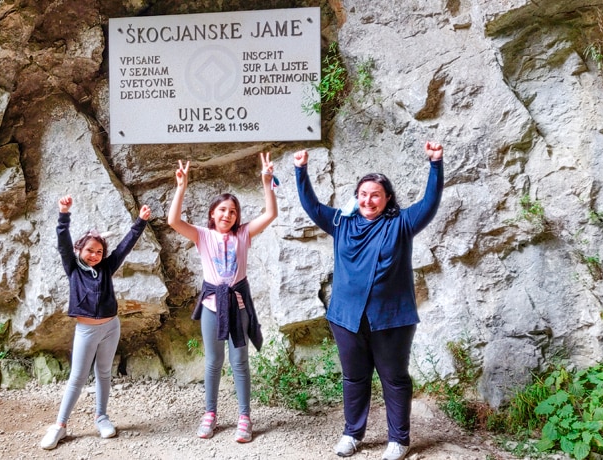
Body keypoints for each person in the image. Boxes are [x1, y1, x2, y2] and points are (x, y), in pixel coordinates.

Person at [294, 142, 444, 460]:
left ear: (387, 198)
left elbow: (429, 203)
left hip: (391, 318)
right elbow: (312, 206)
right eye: (363, 194)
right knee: (354, 378)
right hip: (347, 317)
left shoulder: (400, 224)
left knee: (394, 378)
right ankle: (352, 434)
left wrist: (436, 164)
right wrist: (300, 171)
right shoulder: (342, 223)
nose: (368, 200)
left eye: (375, 194)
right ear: (356, 197)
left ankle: (398, 440)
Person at [166, 152, 278, 443]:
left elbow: (270, 215)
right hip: (212, 305)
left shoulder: (243, 235)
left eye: (232, 211)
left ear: (237, 217)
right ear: (213, 214)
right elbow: (173, 220)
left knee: (239, 360)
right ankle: (210, 414)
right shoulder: (202, 235)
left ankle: (244, 417)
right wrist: (181, 187)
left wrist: (266, 182)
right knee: (213, 361)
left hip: (238, 304)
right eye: (222, 210)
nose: (227, 215)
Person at [39, 195, 151, 450]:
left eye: (99, 252)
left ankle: (101, 417)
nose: (95, 255)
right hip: (87, 330)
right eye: (90, 250)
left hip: (111, 327)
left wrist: (140, 222)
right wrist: (64, 213)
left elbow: (124, 246)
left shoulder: (106, 268)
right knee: (77, 377)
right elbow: (63, 242)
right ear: (80, 250)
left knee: (104, 373)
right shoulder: (73, 268)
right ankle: (60, 425)